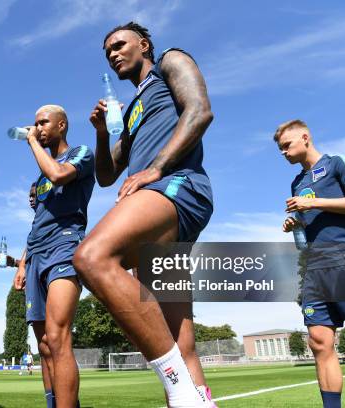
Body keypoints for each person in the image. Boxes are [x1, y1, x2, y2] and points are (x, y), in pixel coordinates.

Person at [73, 22, 215, 407]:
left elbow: (200, 112)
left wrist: (157, 167)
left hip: (177, 186)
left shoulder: (171, 60)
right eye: (107, 52)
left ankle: (180, 389)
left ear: (144, 45)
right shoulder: (132, 109)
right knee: (178, 341)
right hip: (159, 206)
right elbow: (105, 175)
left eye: (119, 45)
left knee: (91, 257)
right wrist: (102, 134)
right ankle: (193, 394)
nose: (113, 53)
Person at [275, 119, 345, 408]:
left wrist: (312, 203)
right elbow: (308, 229)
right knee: (319, 343)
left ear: (305, 137)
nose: (284, 153)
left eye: (286, 146)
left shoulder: (338, 163)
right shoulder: (297, 183)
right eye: (280, 149)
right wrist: (296, 222)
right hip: (314, 267)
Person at [13, 105, 94, 408]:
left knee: (58, 338)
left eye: (43, 123)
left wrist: (32, 141)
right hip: (35, 253)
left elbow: (59, 175)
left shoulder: (81, 153)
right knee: (45, 345)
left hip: (64, 247)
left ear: (61, 125)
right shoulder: (40, 177)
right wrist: (21, 263)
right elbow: (38, 221)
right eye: (34, 124)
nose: (38, 128)